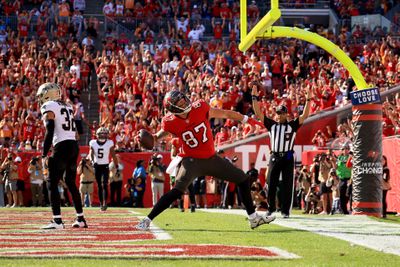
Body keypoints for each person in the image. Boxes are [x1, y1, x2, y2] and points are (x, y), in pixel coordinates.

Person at [136, 90, 275, 230]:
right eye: (180, 102)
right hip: (191, 161)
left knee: (243, 180)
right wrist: (145, 138)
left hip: (211, 158)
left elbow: (226, 113)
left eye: (183, 99)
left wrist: (246, 119)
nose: (184, 102)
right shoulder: (169, 122)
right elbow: (155, 139)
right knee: (177, 190)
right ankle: (147, 220)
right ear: (173, 108)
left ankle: (253, 218)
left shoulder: (200, 107)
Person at [252, 84, 311, 218]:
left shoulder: (292, 125)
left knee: (287, 184)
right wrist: (254, 97)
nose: (278, 115)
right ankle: (271, 208)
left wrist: (308, 100)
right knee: (271, 183)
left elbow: (305, 115)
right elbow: (258, 113)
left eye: (281, 113)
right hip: (275, 156)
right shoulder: (271, 125)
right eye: (277, 113)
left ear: (286, 114)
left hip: (288, 156)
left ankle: (285, 211)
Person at [36, 82, 87, 229]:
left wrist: (44, 153)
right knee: (70, 182)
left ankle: (57, 221)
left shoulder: (49, 106)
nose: (40, 99)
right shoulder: (67, 106)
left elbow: (50, 130)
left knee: (52, 182)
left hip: (62, 146)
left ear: (48, 94)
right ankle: (81, 218)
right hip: (73, 145)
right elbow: (76, 131)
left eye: (41, 96)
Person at [89, 127, 118, 211]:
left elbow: (113, 155)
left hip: (105, 165)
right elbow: (91, 153)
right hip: (97, 165)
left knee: (104, 184)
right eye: (101, 134)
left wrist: (116, 165)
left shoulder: (109, 143)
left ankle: (105, 203)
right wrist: (92, 160)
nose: (102, 135)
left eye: (104, 134)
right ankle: (101, 203)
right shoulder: (93, 142)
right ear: (97, 135)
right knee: (99, 185)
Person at [336, 144, 352, 214]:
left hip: (349, 178)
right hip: (341, 178)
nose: (345, 150)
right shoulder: (339, 158)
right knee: (341, 195)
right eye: (343, 149)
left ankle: (350, 209)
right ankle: (344, 211)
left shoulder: (351, 157)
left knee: (349, 194)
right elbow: (336, 167)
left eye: (346, 149)